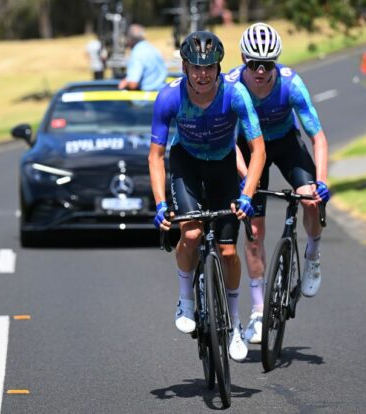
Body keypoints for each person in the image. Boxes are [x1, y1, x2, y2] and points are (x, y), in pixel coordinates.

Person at [148, 31, 266, 362]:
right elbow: (156, 156)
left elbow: (258, 151)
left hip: (224, 166)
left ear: (218, 68)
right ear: (185, 67)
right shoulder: (169, 97)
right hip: (186, 164)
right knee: (193, 231)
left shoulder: (236, 94)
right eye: (196, 68)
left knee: (228, 251)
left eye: (210, 67)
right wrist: (159, 204)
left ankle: (235, 324)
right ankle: (185, 297)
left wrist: (248, 194)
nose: (203, 75)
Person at [228, 22, 331, 344]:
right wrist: (249, 180)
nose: (260, 71)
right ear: (244, 59)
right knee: (254, 231)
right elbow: (227, 142)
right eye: (253, 64)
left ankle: (313, 255)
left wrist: (322, 182)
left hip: (286, 143)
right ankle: (258, 311)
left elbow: (318, 137)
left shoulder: (291, 84)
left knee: (310, 199)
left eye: (268, 64)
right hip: (246, 150)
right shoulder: (231, 86)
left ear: (276, 63)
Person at [118, 24, 167, 91]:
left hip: (146, 98)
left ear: (130, 39)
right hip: (162, 94)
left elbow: (133, 84)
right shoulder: (153, 49)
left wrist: (124, 83)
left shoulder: (137, 54)